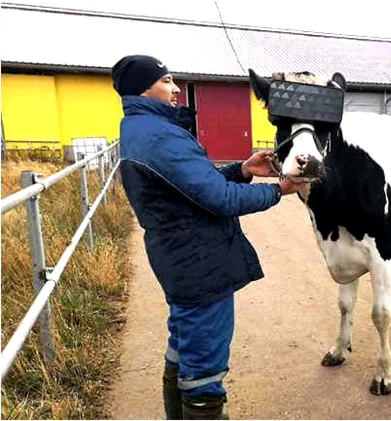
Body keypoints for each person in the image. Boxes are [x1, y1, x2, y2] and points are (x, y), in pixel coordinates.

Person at [111, 55, 306, 419]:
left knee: (183, 348)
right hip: (198, 262)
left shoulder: (143, 129)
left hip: (180, 257)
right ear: (144, 87)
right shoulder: (159, 136)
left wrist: (244, 169)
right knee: (205, 369)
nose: (175, 88)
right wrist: (278, 190)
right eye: (167, 80)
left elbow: (194, 186)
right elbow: (220, 199)